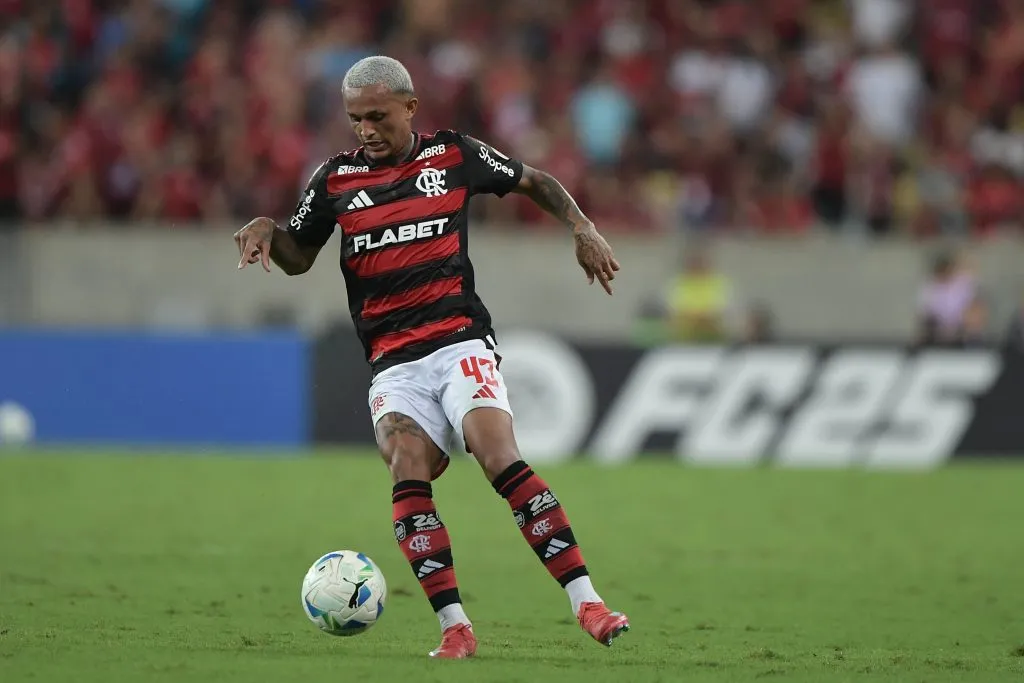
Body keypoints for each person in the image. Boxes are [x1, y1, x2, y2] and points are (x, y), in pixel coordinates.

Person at [233, 56, 627, 659]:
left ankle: (589, 604)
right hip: (393, 361)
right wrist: (268, 229)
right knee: (405, 464)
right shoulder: (333, 181)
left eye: (377, 116)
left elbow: (535, 181)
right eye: (355, 118)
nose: (365, 129)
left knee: (497, 456)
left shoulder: (452, 155)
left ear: (410, 109)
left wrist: (582, 227)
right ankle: (455, 627)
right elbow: (298, 255)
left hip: (459, 338)